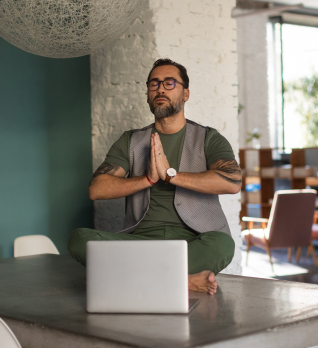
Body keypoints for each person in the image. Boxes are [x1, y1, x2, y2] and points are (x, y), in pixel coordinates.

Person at [68, 58, 241, 295]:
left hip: (193, 241)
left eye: (170, 83)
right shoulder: (130, 140)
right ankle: (184, 281)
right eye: (154, 84)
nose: (160, 88)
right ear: (148, 94)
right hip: (140, 243)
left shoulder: (209, 138)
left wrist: (171, 175)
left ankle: (118, 276)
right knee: (79, 238)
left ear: (186, 93)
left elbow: (232, 182)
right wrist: (147, 179)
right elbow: (96, 189)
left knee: (222, 245)